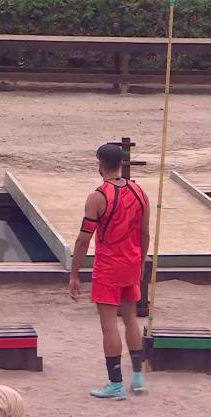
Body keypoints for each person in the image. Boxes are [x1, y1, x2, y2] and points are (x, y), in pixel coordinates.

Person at [69, 143, 151, 400]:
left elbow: (84, 239)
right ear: (122, 164)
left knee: (109, 326)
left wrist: (74, 274)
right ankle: (137, 378)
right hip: (131, 264)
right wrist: (140, 263)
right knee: (130, 319)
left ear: (100, 164)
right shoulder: (140, 192)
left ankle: (115, 383)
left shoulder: (98, 196)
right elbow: (145, 234)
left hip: (108, 267)